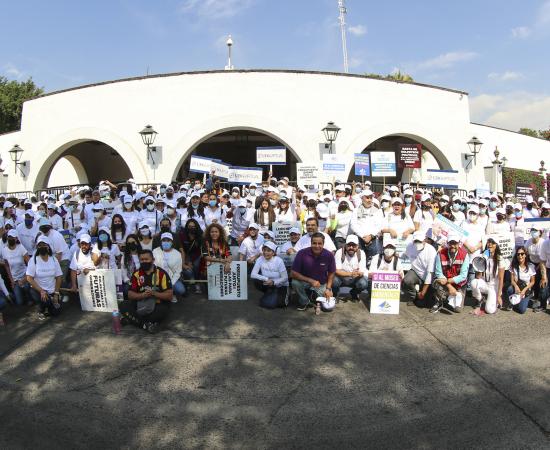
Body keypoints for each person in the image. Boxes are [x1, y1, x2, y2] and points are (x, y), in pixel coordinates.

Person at [119, 249, 173, 334]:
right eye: (142, 260)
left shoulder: (162, 274)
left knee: (163, 311)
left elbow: (169, 295)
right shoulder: (136, 274)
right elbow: (130, 294)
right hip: (140, 302)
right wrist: (142, 295)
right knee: (123, 305)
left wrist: (154, 293)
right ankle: (145, 325)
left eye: (146, 259)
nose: (144, 261)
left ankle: (132, 319)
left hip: (157, 304)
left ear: (153, 260)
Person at [291, 232, 336, 314]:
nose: (317, 246)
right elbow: (293, 273)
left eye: (320, 243)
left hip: (321, 284)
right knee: (295, 282)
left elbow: (331, 272)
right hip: (305, 282)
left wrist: (328, 289)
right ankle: (305, 301)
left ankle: (313, 296)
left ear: (323, 244)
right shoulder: (302, 253)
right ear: (311, 243)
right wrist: (311, 281)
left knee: (327, 308)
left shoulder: (329, 255)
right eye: (314, 243)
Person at [26, 236, 64, 320]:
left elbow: (59, 276)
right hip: (38, 290)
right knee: (46, 301)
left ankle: (48, 306)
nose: (42, 247)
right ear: (37, 247)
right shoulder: (33, 260)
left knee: (56, 312)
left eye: (44, 245)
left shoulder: (53, 259)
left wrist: (56, 293)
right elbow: (29, 278)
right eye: (40, 245)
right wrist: (41, 291)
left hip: (52, 290)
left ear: (48, 246)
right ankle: (41, 309)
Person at [431, 234, 470, 313]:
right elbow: (438, 272)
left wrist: (451, 281)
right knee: (437, 281)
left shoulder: (465, 254)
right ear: (447, 243)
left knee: (457, 310)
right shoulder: (440, 253)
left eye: (455, 243)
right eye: (450, 243)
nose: (452, 246)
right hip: (445, 281)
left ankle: (447, 298)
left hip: (459, 284)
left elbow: (463, 276)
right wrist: (449, 286)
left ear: (459, 243)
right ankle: (439, 302)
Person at [471, 238, 506, 314]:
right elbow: (478, 277)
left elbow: (501, 279)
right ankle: (480, 299)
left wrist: (499, 295)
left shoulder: (500, 259)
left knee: (490, 310)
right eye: (488, 242)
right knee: (473, 282)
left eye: (492, 243)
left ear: (496, 245)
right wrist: (481, 264)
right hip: (485, 284)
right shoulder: (482, 256)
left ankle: (492, 300)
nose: (490, 244)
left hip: (493, 287)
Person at [403, 231, 437, 307]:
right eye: (416, 241)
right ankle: (413, 296)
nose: (418, 243)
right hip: (415, 272)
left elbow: (430, 273)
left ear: (425, 240)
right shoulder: (409, 246)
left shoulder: (431, 250)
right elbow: (404, 255)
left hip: (428, 277)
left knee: (423, 304)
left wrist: (423, 292)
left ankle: (423, 295)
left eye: (420, 241)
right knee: (407, 280)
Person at [251, 241, 289, 309]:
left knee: (277, 304)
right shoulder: (260, 259)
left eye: (268, 251)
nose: (265, 252)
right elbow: (253, 274)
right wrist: (266, 279)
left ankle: (286, 293)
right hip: (268, 283)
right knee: (256, 280)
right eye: (264, 250)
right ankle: (269, 294)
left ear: (273, 253)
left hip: (281, 285)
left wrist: (273, 282)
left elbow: (285, 278)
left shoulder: (279, 261)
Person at [333, 235, 368, 301]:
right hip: (342, 278)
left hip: (355, 278)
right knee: (334, 280)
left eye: (354, 245)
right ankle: (335, 294)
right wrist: (351, 274)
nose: (351, 247)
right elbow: (336, 271)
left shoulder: (362, 253)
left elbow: (362, 272)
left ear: (358, 246)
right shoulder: (339, 252)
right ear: (345, 245)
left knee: (363, 283)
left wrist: (359, 273)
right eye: (349, 245)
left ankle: (354, 293)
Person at [153, 233, 184, 302]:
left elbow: (178, 271)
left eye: (168, 240)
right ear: (161, 242)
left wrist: (171, 283)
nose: (166, 242)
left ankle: (172, 294)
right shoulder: (155, 251)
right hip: (158, 277)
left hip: (171, 278)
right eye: (164, 240)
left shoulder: (177, 254)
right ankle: (160, 294)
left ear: (172, 242)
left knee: (181, 290)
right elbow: (153, 266)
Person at [350, 189, 382, 258]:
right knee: (359, 260)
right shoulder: (356, 210)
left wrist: (370, 236)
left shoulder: (377, 211)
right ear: (362, 198)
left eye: (371, 198)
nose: (369, 200)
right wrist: (362, 236)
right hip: (359, 239)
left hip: (372, 240)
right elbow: (353, 224)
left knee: (372, 260)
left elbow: (379, 225)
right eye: (367, 198)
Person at [1, 229, 30, 306]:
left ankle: (28, 295)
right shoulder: (4, 250)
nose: (11, 239)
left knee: (26, 287)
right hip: (15, 279)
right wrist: (11, 280)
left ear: (16, 238)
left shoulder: (21, 248)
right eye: (9, 237)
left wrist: (25, 279)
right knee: (19, 302)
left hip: (24, 276)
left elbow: (30, 264)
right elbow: (7, 266)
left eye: (13, 237)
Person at [506, 247, 536, 314]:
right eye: (518, 254)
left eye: (522, 254)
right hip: (517, 288)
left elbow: (532, 281)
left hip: (526, 289)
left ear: (525, 255)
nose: (520, 256)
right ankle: (513, 302)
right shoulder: (513, 266)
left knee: (521, 310)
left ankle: (527, 301)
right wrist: (516, 286)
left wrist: (524, 290)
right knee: (510, 289)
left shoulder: (531, 266)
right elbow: (512, 280)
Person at [180, 218, 203, 294]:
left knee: (196, 265)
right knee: (187, 268)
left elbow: (201, 249)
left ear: (196, 227)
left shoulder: (200, 234)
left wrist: (192, 261)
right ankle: (188, 281)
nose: (191, 228)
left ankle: (197, 283)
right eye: (189, 226)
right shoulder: (182, 234)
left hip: (197, 255)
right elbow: (182, 250)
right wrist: (187, 261)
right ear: (187, 227)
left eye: (193, 227)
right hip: (186, 254)